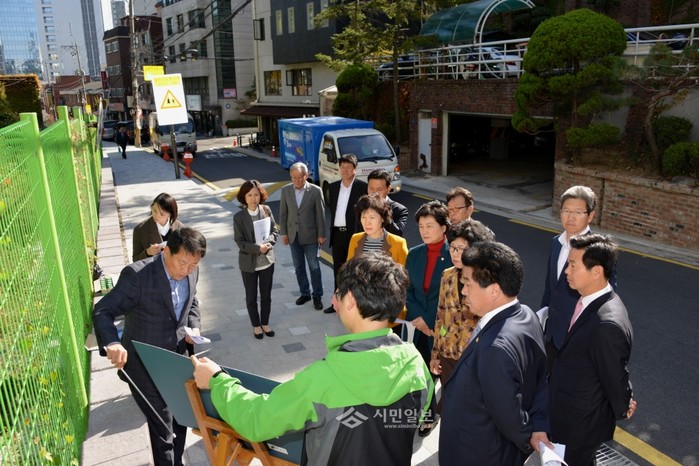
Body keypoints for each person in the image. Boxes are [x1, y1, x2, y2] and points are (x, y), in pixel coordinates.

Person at [191, 254, 434, 466]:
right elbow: (421, 426)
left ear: (350, 300)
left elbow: (257, 420)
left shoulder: (323, 377)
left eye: (337, 294)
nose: (333, 302)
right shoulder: (415, 363)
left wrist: (217, 380)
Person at [93, 227, 207, 466]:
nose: (187, 270)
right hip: (143, 363)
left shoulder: (192, 271)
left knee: (181, 418)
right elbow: (103, 310)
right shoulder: (138, 276)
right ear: (166, 252)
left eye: (193, 265)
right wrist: (112, 342)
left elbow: (192, 301)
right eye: (182, 263)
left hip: (175, 358)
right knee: (162, 426)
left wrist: (193, 327)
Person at [439, 241, 549, 466]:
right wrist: (538, 426)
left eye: (467, 283)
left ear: (494, 290)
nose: (463, 291)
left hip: (479, 453)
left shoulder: (494, 348)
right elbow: (541, 380)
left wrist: (527, 436)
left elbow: (509, 414)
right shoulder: (526, 314)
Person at [549, 234, 635, 466]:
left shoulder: (606, 324)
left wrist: (624, 404)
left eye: (572, 265)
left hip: (579, 425)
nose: (566, 271)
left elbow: (613, 373)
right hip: (569, 413)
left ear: (596, 271)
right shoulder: (591, 300)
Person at [540, 185, 616, 369]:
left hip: (577, 339)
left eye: (578, 212)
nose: (570, 217)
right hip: (552, 335)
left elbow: (605, 299)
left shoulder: (599, 251)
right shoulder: (556, 243)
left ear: (590, 216)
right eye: (566, 211)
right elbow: (550, 289)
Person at [429, 219, 495, 412]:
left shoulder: (487, 280)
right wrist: (435, 354)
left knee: (470, 410)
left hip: (473, 358)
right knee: (449, 408)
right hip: (448, 354)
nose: (455, 253)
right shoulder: (447, 275)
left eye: (461, 249)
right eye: (452, 247)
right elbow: (441, 314)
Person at [405, 200, 452, 436]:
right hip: (419, 326)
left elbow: (451, 296)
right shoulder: (414, 254)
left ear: (444, 227)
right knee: (422, 372)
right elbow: (407, 290)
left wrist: (430, 319)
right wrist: (420, 320)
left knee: (443, 373)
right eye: (421, 226)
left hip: (444, 328)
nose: (424, 231)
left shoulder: (454, 255)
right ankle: (427, 414)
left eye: (429, 225)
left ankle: (444, 413)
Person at [234, 180, 279, 339]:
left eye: (256, 195)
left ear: (261, 195)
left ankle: (265, 323)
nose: (253, 198)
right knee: (251, 297)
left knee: (266, 296)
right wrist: (257, 248)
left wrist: (269, 243)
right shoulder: (239, 217)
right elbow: (240, 242)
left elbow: (274, 230)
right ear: (244, 197)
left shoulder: (266, 210)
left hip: (267, 262)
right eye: (249, 195)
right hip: (248, 264)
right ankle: (256, 325)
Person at [279, 162, 326, 310]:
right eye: (294, 178)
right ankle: (305, 293)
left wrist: (321, 234)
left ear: (306, 176)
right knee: (299, 267)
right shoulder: (286, 190)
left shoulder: (316, 191)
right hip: (293, 235)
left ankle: (317, 296)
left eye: (300, 177)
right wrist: (283, 233)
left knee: (314, 267)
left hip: (311, 236)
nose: (297, 180)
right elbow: (283, 214)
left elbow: (320, 215)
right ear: (290, 177)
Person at [325, 154, 367, 313]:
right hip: (338, 234)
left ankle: (355, 305)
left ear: (355, 169)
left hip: (354, 234)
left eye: (349, 167)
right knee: (338, 270)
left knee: (355, 270)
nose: (345, 170)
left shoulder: (362, 187)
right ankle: (337, 303)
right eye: (343, 167)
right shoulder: (333, 187)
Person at [346, 194, 408, 265]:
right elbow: (349, 268)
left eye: (372, 217)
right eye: (363, 217)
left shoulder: (398, 243)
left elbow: (403, 271)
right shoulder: (355, 238)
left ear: (382, 218)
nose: (367, 222)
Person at [132, 193, 184, 262]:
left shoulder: (180, 228)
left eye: (162, 214)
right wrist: (147, 253)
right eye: (154, 210)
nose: (156, 215)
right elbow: (135, 260)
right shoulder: (140, 230)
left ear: (170, 214)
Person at [367, 169, 409, 236]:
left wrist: (381, 210)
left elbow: (397, 234)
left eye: (379, 189)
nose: (375, 193)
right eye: (371, 189)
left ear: (388, 189)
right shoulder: (362, 206)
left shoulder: (399, 210)